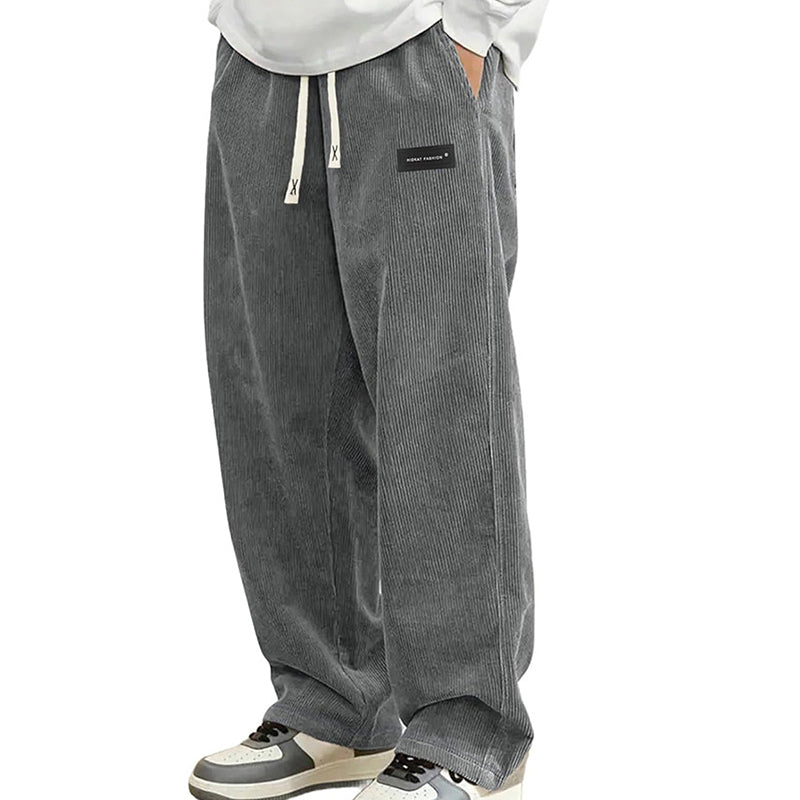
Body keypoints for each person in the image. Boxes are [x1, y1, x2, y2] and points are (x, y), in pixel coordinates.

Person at [190, 1, 549, 798]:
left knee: (440, 397)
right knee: (275, 400)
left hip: (418, 46)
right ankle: (332, 702)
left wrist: (475, 25)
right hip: (257, 58)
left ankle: (468, 727)